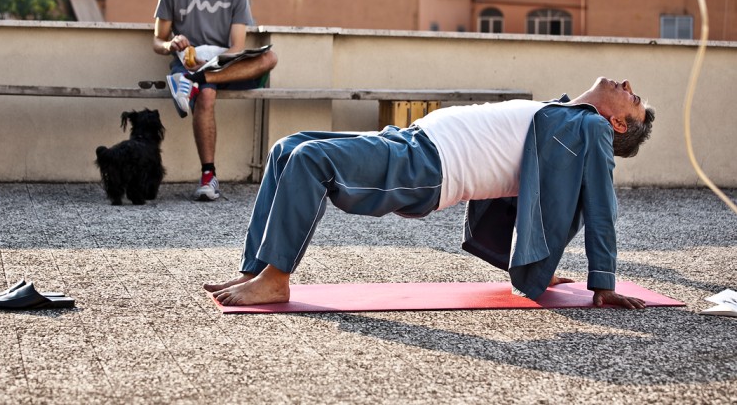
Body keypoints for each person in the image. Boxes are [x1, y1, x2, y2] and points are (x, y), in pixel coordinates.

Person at [205, 77, 656, 309]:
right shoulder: (562, 112)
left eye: (633, 100)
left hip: (430, 165)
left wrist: (603, 283)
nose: (626, 86)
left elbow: (600, 204)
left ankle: (277, 280)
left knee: (310, 162)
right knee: (289, 148)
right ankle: (256, 271)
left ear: (617, 125)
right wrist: (539, 261)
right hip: (411, 140)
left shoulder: (590, 128)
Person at [153, 0, 277, 201]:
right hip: (186, 65)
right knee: (207, 96)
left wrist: (212, 66)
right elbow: (157, 42)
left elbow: (237, 46)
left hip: (223, 64)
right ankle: (208, 177)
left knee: (270, 57)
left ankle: (197, 82)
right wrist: (172, 44)